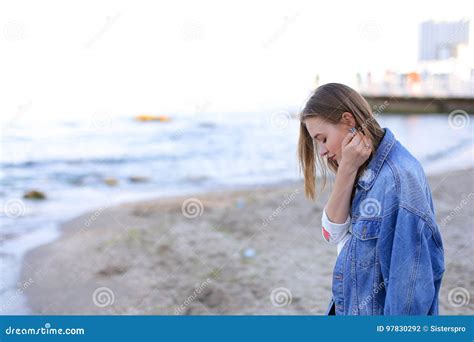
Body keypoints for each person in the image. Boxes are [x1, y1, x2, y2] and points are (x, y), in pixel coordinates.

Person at [297, 83, 445, 315]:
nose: (322, 151)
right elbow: (331, 233)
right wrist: (346, 169)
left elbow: (409, 289)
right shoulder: (358, 167)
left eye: (323, 139)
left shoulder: (396, 180)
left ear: (348, 120)